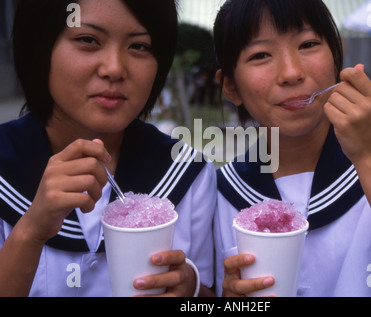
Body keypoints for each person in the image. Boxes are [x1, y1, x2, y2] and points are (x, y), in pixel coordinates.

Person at [213, 0, 371, 297]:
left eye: (308, 44)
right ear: (231, 87)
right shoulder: (222, 193)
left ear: (337, 56)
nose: (291, 72)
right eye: (261, 55)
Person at [0, 0, 216, 297]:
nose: (115, 69)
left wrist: (189, 289)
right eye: (88, 40)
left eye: (139, 46)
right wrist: (31, 230)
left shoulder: (188, 173)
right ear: (40, 45)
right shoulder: (5, 169)